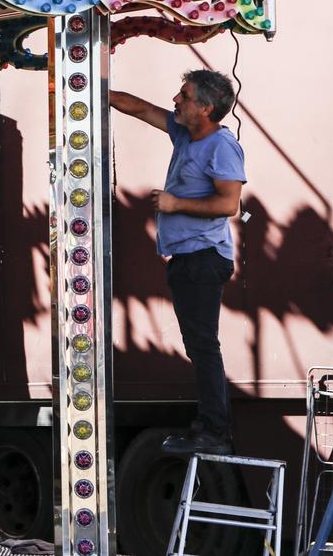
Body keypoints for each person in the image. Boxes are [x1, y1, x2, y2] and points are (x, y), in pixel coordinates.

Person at [109, 69, 246, 455]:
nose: (176, 100)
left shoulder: (221, 145)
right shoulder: (185, 133)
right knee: (198, 344)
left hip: (204, 256)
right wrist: (93, 87)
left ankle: (214, 430)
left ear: (204, 107)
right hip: (187, 256)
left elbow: (228, 204)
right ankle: (210, 426)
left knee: (203, 345)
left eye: (183, 96)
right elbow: (142, 109)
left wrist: (176, 203)